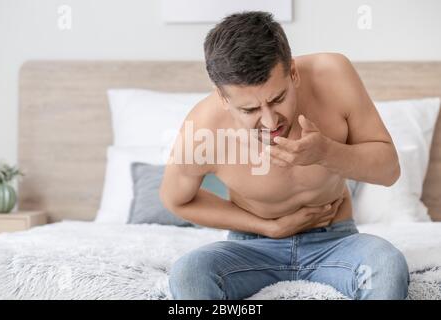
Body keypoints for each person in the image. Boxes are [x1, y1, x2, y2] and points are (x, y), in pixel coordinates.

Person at [160, 11, 409, 300]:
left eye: (277, 98)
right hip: (250, 248)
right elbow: (174, 199)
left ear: (293, 72)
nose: (269, 122)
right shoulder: (204, 125)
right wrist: (268, 226)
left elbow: (389, 171)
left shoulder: (333, 74)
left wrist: (326, 152)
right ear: (222, 97)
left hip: (336, 241)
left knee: (387, 264)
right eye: (249, 110)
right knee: (188, 274)